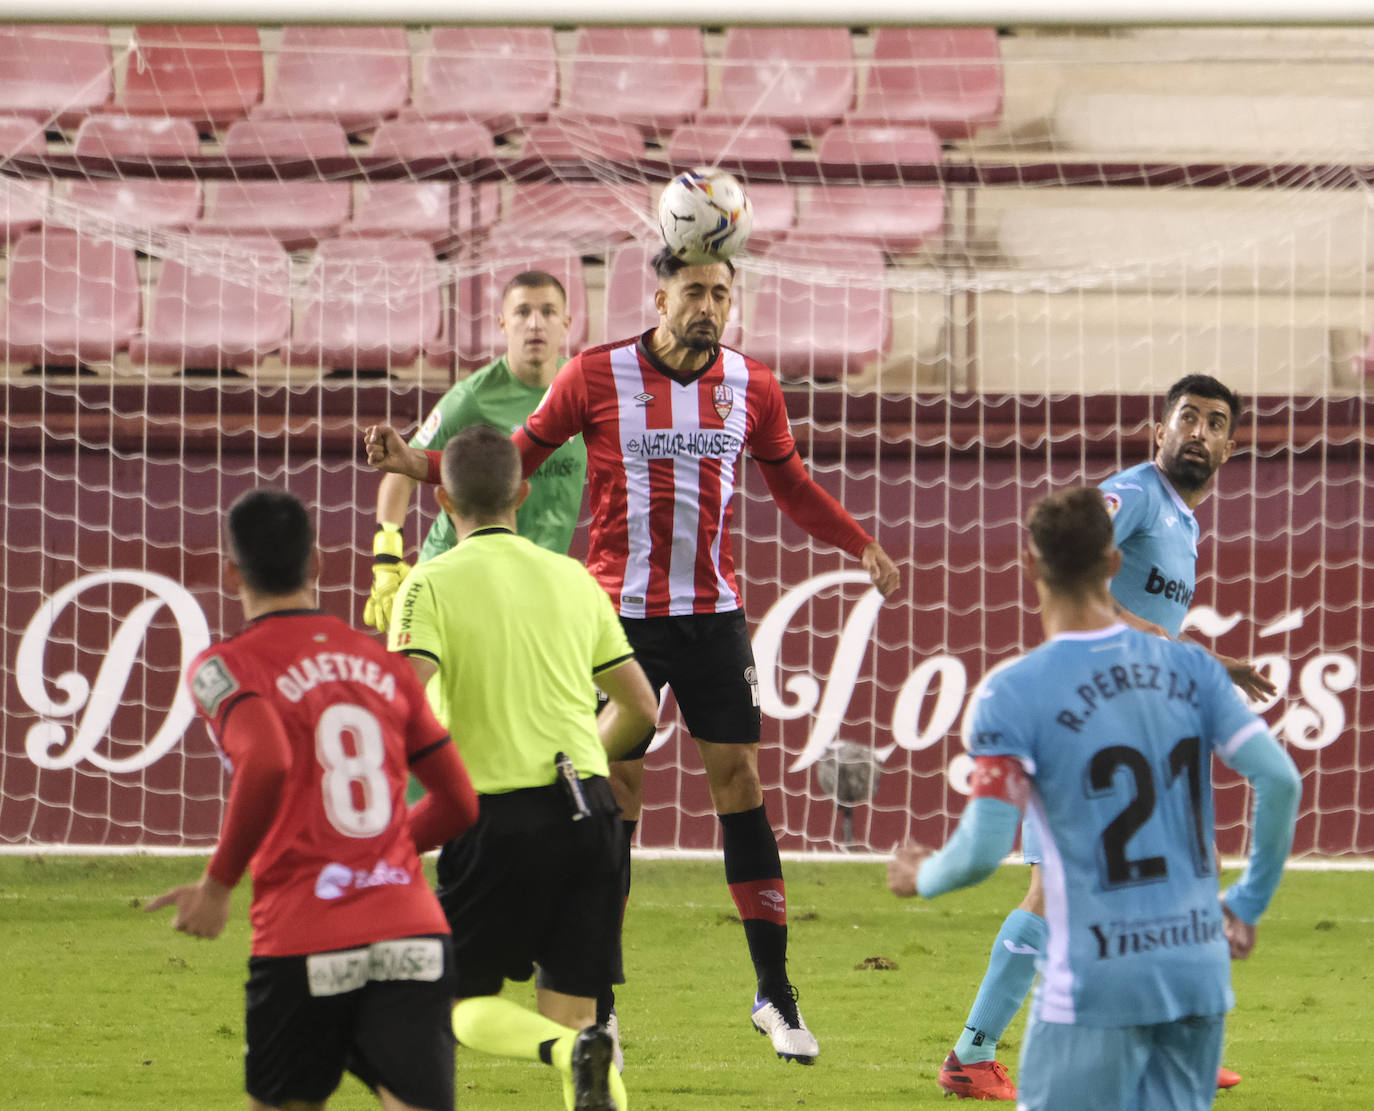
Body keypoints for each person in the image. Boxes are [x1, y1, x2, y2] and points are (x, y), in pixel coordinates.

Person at [366, 247, 901, 1065]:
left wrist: (856, 540)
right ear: (660, 297)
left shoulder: (752, 386)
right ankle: (601, 1007)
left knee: (742, 781)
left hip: (714, 616)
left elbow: (790, 483)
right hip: (619, 617)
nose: (709, 306)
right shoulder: (594, 374)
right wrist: (419, 465)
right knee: (615, 790)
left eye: (722, 293)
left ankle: (774, 992)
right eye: (694, 291)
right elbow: (514, 462)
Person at [888, 486, 1301, 1111]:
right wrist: (1246, 902)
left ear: (1029, 565)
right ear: (1114, 565)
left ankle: (973, 1051)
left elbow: (980, 850)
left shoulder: (1012, 693)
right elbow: (1281, 782)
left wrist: (923, 876)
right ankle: (973, 1053)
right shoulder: (1193, 671)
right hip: (1197, 976)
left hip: (1096, 984)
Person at [146, 488, 481, 1111]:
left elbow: (268, 759)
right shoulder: (385, 664)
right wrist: (381, 850)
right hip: (412, 930)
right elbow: (460, 805)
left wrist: (218, 884)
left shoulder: (222, 668)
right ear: (319, 565)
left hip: (305, 934)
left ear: (232, 574)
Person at [387, 424, 659, 1111]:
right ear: (525, 492)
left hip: (496, 819)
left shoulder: (430, 582)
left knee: (442, 1001)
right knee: (576, 1015)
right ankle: (578, 1050)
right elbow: (641, 707)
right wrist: (588, 756)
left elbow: (399, 702)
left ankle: (566, 1051)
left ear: (443, 498)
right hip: (590, 812)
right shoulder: (572, 577)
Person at [364, 269, 587, 632]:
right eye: (522, 312)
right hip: (457, 571)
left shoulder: (580, 391)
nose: (535, 324)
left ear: (567, 324)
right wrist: (386, 560)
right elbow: (399, 471)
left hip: (538, 581)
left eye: (547, 312)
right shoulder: (471, 398)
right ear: (502, 323)